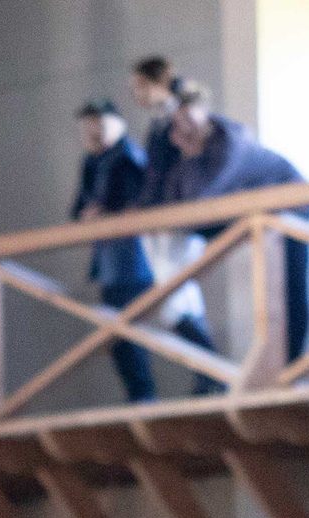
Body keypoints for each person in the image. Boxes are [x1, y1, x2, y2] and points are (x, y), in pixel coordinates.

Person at [153, 83, 309, 364]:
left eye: (188, 116)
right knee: (178, 238)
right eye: (178, 120)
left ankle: (292, 366)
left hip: (291, 203)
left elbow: (204, 197)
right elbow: (176, 200)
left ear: (204, 111)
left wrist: (189, 155)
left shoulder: (231, 140)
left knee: (291, 287)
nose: (184, 126)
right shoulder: (192, 148)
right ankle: (181, 289)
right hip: (249, 210)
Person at [128, 57, 218, 385]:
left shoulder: (176, 115)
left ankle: (212, 373)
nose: (136, 94)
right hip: (164, 214)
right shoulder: (162, 118)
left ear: (158, 81)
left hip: (173, 216)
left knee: (172, 300)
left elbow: (173, 169)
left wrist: (158, 208)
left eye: (140, 86)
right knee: (182, 298)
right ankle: (208, 375)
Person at [71, 100, 155, 403]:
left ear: (117, 124)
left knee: (126, 330)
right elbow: (79, 209)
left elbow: (138, 205)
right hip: (108, 261)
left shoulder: (129, 157)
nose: (92, 133)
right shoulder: (92, 162)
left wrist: (102, 215)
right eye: (88, 127)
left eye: (99, 125)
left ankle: (143, 397)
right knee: (116, 333)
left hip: (134, 259)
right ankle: (139, 396)